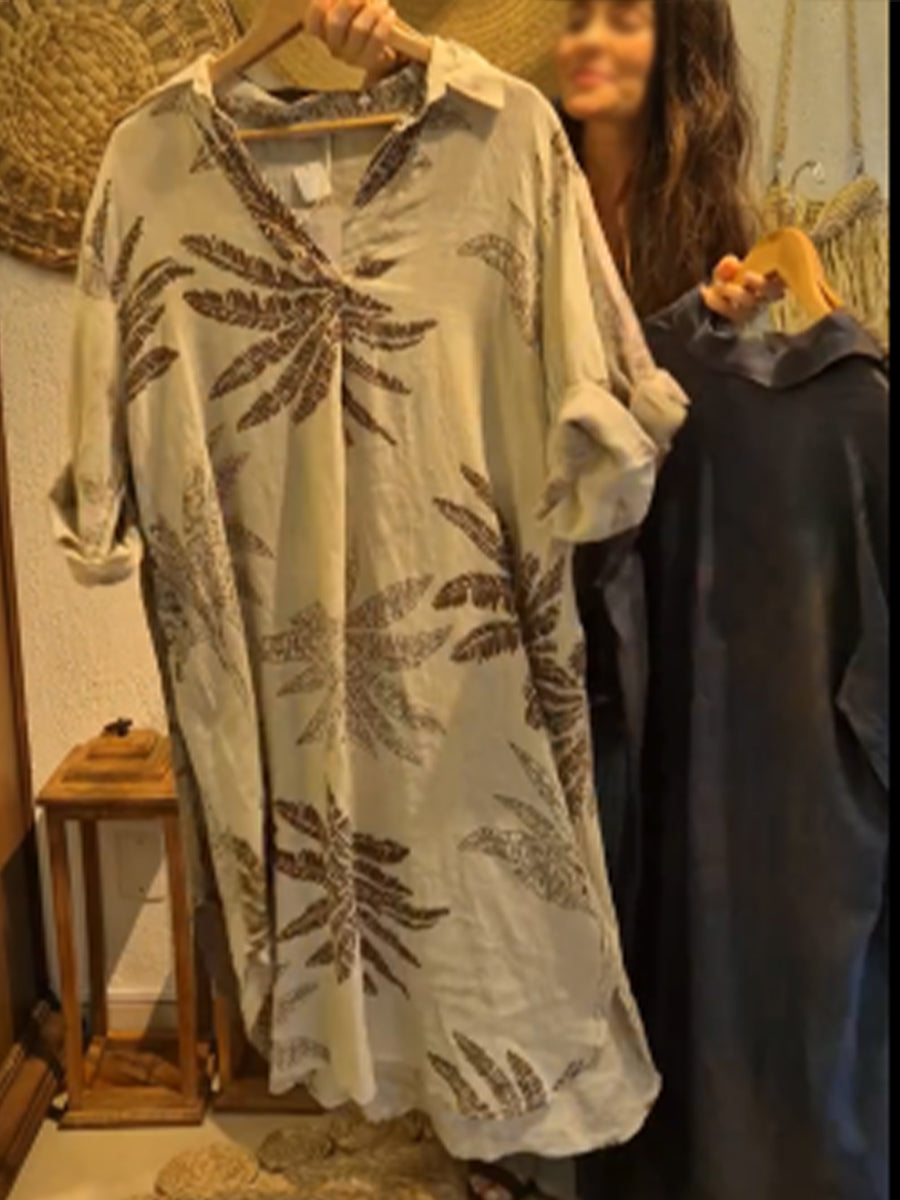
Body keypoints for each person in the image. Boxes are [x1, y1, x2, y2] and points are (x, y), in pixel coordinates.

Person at [301, 3, 781, 1199]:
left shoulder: (715, 221)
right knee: (507, 857)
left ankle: (627, 1139)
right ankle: (514, 1139)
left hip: (658, 594)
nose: (589, 43)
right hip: (507, 576)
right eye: (579, 18)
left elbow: (709, 426)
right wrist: (381, 52)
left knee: (635, 854)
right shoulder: (502, 166)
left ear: (681, 50)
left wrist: (724, 326)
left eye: (626, 20)